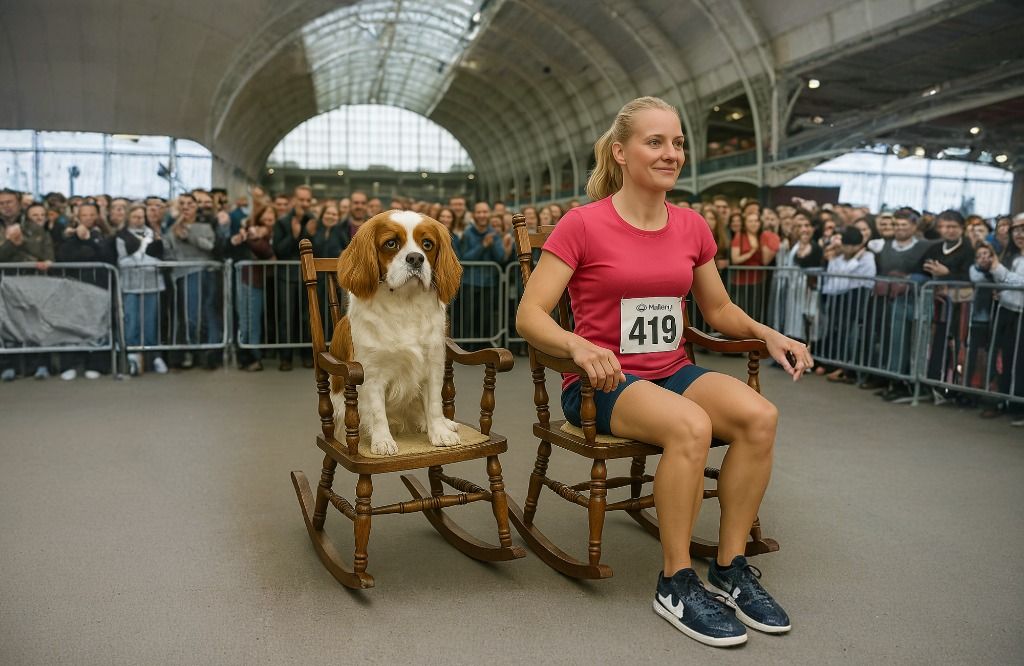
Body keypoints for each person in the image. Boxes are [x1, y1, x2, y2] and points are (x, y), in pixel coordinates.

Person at [516, 97, 811, 647]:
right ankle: (675, 580)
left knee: (759, 416)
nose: (671, 153)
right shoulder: (581, 225)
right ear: (620, 153)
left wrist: (770, 335)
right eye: (656, 142)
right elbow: (529, 315)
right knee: (690, 426)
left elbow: (718, 310)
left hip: (671, 370)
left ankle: (730, 567)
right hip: (601, 384)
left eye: (677, 143)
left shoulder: (692, 226)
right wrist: (577, 346)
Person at [116, 203, 167, 376]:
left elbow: (162, 257)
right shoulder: (121, 236)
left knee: (151, 323)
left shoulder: (153, 234)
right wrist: (142, 260)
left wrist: (147, 261)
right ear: (128, 218)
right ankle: (132, 356)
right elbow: (122, 261)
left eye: (141, 216)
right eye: (135, 216)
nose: (139, 220)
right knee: (132, 323)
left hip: (152, 284)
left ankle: (154, 357)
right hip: (130, 286)